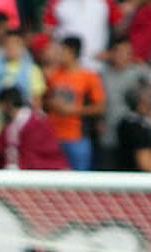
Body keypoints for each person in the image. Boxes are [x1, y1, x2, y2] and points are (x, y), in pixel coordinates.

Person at [0, 86, 70, 168]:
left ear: (6, 104)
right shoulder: (42, 120)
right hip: (55, 176)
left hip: (29, 180)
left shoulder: (15, 128)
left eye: (0, 106)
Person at [46, 36, 105, 170]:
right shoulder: (55, 75)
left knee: (79, 180)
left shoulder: (89, 77)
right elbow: (47, 101)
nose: (59, 55)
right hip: (54, 135)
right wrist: (53, 104)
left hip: (78, 137)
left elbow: (100, 107)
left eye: (62, 51)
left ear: (72, 52)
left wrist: (73, 111)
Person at [100, 35, 151, 170]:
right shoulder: (103, 73)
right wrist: (97, 120)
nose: (122, 56)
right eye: (119, 51)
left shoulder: (138, 73)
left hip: (131, 133)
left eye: (127, 52)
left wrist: (149, 117)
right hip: (108, 132)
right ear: (112, 53)